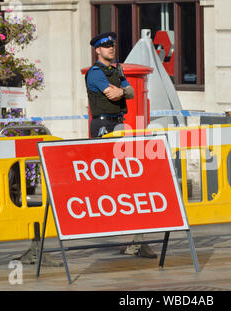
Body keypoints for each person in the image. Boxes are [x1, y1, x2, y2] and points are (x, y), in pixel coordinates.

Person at [85, 32, 157, 258]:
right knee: (107, 174)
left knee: (124, 175)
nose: (110, 48)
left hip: (119, 124)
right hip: (104, 125)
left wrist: (122, 91)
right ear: (97, 50)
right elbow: (113, 95)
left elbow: (131, 92)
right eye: (105, 46)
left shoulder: (116, 70)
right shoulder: (95, 72)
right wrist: (121, 91)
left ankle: (132, 235)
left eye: (112, 45)